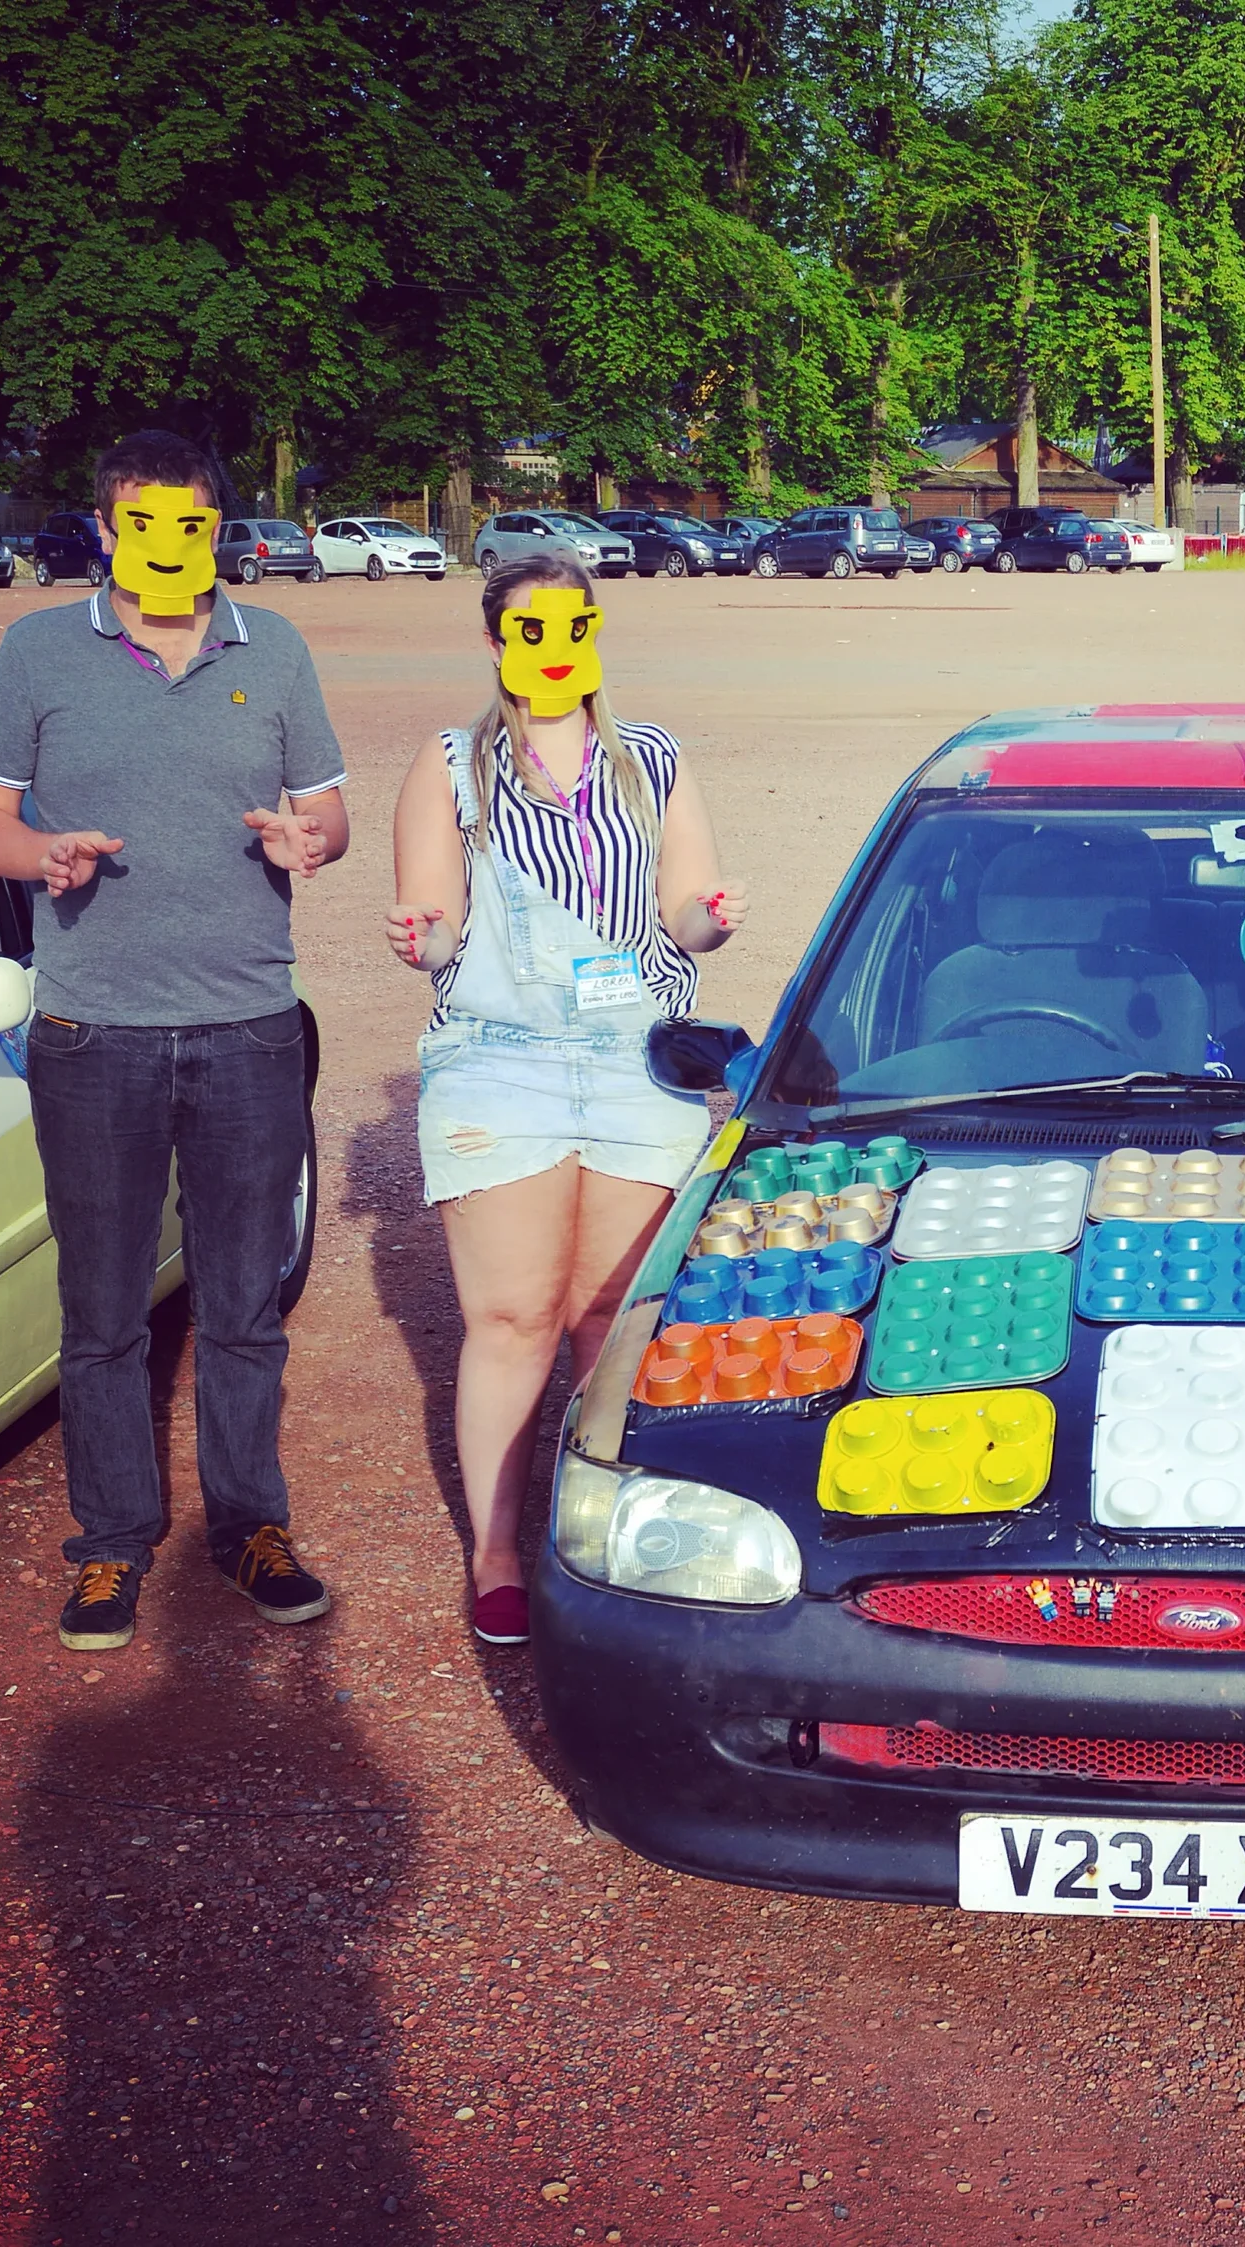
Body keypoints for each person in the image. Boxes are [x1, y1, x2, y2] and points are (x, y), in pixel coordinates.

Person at [0, 429, 350, 1652]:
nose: (167, 546)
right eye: (143, 524)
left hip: (246, 1029)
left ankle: (249, 1527)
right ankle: (111, 1549)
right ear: (108, 529)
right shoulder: (35, 651)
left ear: (217, 531)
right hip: (92, 1034)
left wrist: (312, 843)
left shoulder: (273, 646)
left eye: (190, 524)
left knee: (242, 1309)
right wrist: (45, 857)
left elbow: (327, 808)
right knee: (105, 1318)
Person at [386, 554, 747, 1646]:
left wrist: (708, 923)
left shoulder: (652, 759)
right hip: (503, 1060)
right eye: (529, 629)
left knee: (609, 1319)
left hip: (639, 1057)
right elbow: (437, 925)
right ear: (496, 643)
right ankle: (496, 1551)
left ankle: (590, 1532)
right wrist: (424, 939)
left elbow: (683, 910)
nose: (553, 647)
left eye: (574, 625)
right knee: (510, 1318)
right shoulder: (450, 765)